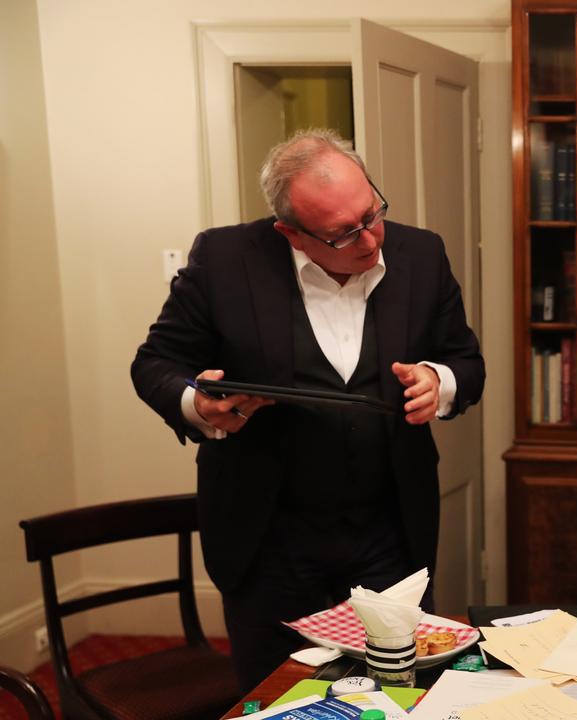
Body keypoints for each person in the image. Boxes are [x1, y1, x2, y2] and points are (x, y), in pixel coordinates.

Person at [131, 128, 484, 691]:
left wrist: (437, 382)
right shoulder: (226, 260)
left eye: (373, 214)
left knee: (402, 690)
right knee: (277, 693)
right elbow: (155, 363)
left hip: (389, 528)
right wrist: (198, 404)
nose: (370, 241)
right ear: (290, 232)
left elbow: (466, 363)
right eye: (344, 234)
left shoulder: (421, 253)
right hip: (267, 531)